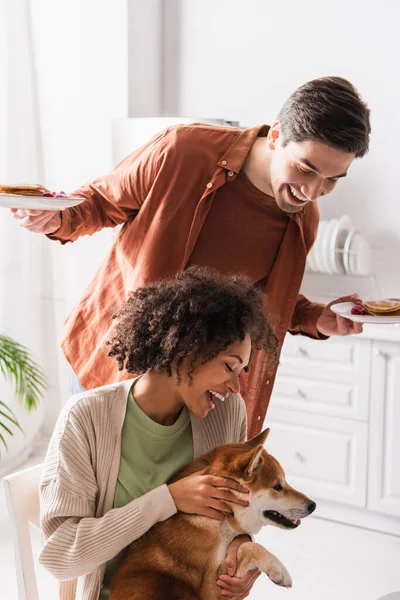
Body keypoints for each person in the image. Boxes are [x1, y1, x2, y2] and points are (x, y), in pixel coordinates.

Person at [12, 76, 371, 436]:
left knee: (166, 494)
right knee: (91, 487)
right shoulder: (183, 150)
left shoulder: (302, 221)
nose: (312, 191)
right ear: (276, 136)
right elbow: (99, 202)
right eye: (305, 168)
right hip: (117, 365)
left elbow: (259, 302)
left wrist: (316, 318)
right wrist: (55, 216)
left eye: (332, 179)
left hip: (198, 394)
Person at [39, 266, 279, 600]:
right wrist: (168, 499)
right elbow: (61, 556)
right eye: (229, 367)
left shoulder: (226, 413)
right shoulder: (87, 419)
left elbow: (231, 518)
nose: (235, 387)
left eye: (241, 371)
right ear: (187, 349)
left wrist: (240, 554)